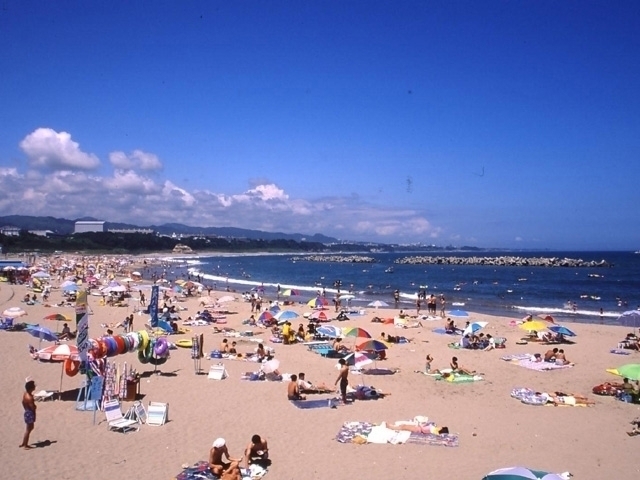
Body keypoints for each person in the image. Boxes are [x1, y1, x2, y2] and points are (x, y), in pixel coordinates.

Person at [20, 378, 37, 449]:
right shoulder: (30, 398)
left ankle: (24, 442)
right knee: (29, 429)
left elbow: (22, 402)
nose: (35, 386)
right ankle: (25, 445)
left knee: (29, 428)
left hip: (26, 412)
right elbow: (33, 407)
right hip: (30, 413)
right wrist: (35, 407)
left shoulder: (25, 394)